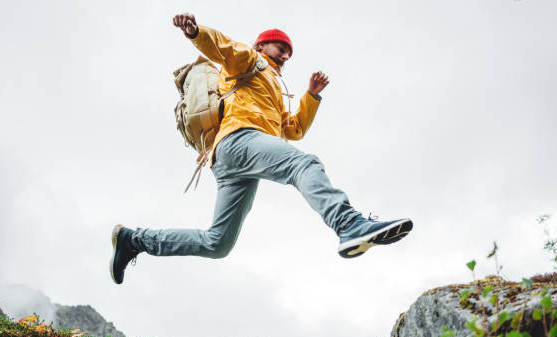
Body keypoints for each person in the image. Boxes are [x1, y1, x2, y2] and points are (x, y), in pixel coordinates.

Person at [109, 13, 413, 284]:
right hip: (238, 139)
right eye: (280, 48)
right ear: (260, 46)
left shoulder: (275, 92)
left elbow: (292, 130)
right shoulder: (249, 61)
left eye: (289, 53)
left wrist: (311, 96)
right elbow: (222, 46)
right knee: (304, 165)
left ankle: (134, 240)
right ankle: (349, 224)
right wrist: (195, 31)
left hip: (229, 161)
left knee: (218, 244)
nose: (284, 56)